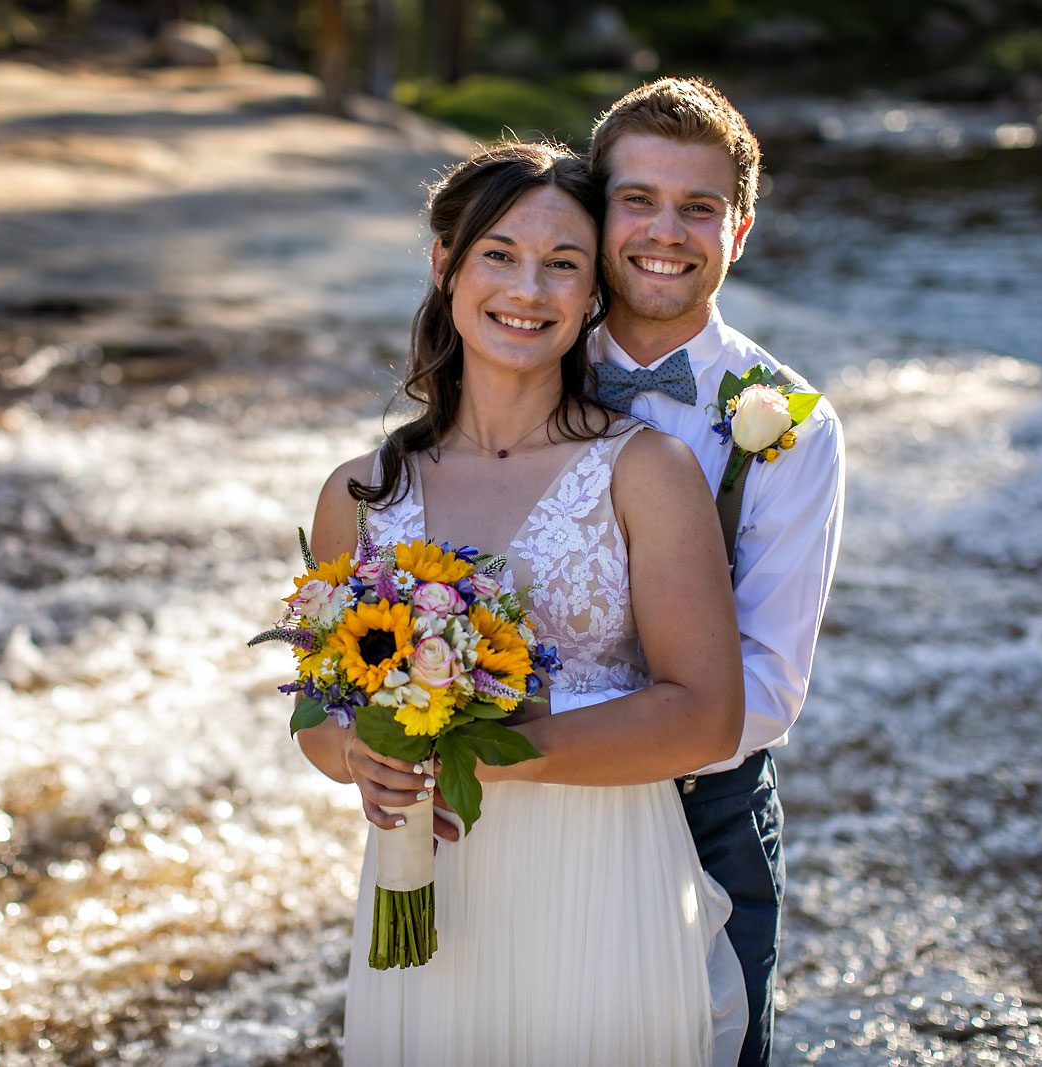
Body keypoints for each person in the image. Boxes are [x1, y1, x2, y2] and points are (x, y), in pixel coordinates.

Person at [295, 141, 750, 1064]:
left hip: (602, 882)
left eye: (564, 264)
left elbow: (708, 715)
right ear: (446, 265)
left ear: (593, 295)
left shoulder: (646, 472)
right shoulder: (361, 492)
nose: (529, 289)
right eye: (499, 253)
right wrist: (356, 754)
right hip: (425, 884)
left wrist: (487, 753)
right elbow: (318, 716)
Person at [584, 77, 848, 1066]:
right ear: (595, 209)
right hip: (514, 811)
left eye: (698, 206)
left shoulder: (790, 420)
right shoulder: (520, 356)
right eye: (638, 199)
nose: (666, 229)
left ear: (738, 231)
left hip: (702, 816)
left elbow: (771, 688)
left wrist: (560, 750)